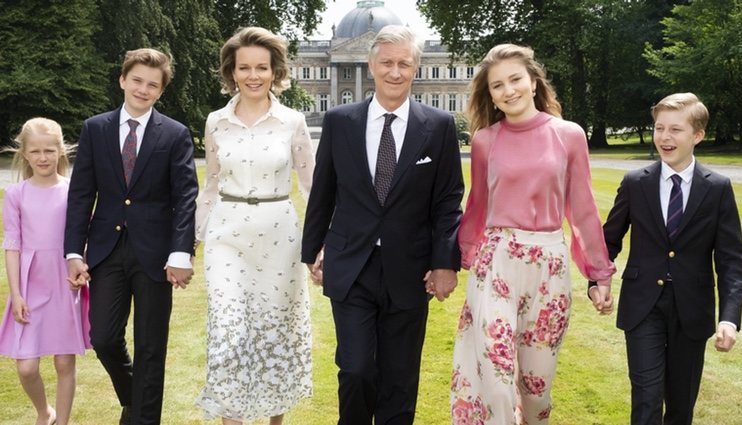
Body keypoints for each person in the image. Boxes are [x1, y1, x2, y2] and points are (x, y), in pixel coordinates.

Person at [301, 24, 464, 425]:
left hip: (409, 268)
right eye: (387, 62)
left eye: (404, 63)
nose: (395, 72)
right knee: (355, 369)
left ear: (415, 68)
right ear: (372, 65)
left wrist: (445, 262)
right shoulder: (341, 121)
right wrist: (312, 252)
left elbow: (447, 200)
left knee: (399, 378)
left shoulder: (438, 126)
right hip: (351, 264)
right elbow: (323, 191)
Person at [451, 43, 616, 425]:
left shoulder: (568, 135)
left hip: (549, 267)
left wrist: (599, 272)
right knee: (496, 377)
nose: (508, 91)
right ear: (489, 94)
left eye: (515, 80)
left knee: (536, 389)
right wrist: (459, 257)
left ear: (533, 82)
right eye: (497, 86)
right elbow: (477, 206)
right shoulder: (485, 141)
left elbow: (583, 209)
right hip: (497, 263)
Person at [589, 92, 742, 425]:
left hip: (692, 309)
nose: (665, 137)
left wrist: (729, 317)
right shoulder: (635, 183)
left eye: (676, 129)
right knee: (645, 398)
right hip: (642, 305)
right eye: (660, 128)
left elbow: (732, 260)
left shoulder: (717, 188)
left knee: (680, 405)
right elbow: (609, 239)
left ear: (698, 135)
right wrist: (596, 280)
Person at [64, 48, 198, 425]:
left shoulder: (174, 134)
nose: (143, 89)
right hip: (106, 250)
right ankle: (135, 398)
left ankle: (142, 418)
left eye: (152, 85)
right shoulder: (95, 128)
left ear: (160, 91)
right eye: (137, 80)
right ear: (123, 80)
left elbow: (185, 197)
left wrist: (180, 253)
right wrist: (74, 251)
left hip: (156, 255)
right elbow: (80, 194)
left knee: (151, 347)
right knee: (104, 337)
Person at [193, 27, 315, 425]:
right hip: (226, 236)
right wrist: (189, 240)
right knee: (229, 335)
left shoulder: (292, 121)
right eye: (244, 67)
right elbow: (210, 186)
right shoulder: (215, 122)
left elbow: (312, 187)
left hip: (280, 237)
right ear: (232, 71)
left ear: (275, 70)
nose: (253, 75)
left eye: (262, 67)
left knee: (272, 334)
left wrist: (321, 246)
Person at [0, 117, 91, 425]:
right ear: (24, 154)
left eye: (49, 151)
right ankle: (45, 412)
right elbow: (12, 246)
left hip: (64, 282)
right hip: (30, 284)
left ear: (61, 151)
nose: (43, 158)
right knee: (26, 367)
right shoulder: (16, 195)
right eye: (36, 151)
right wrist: (16, 293)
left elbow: (84, 235)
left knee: (64, 361)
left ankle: (62, 421)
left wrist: (81, 268)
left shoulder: (73, 190)